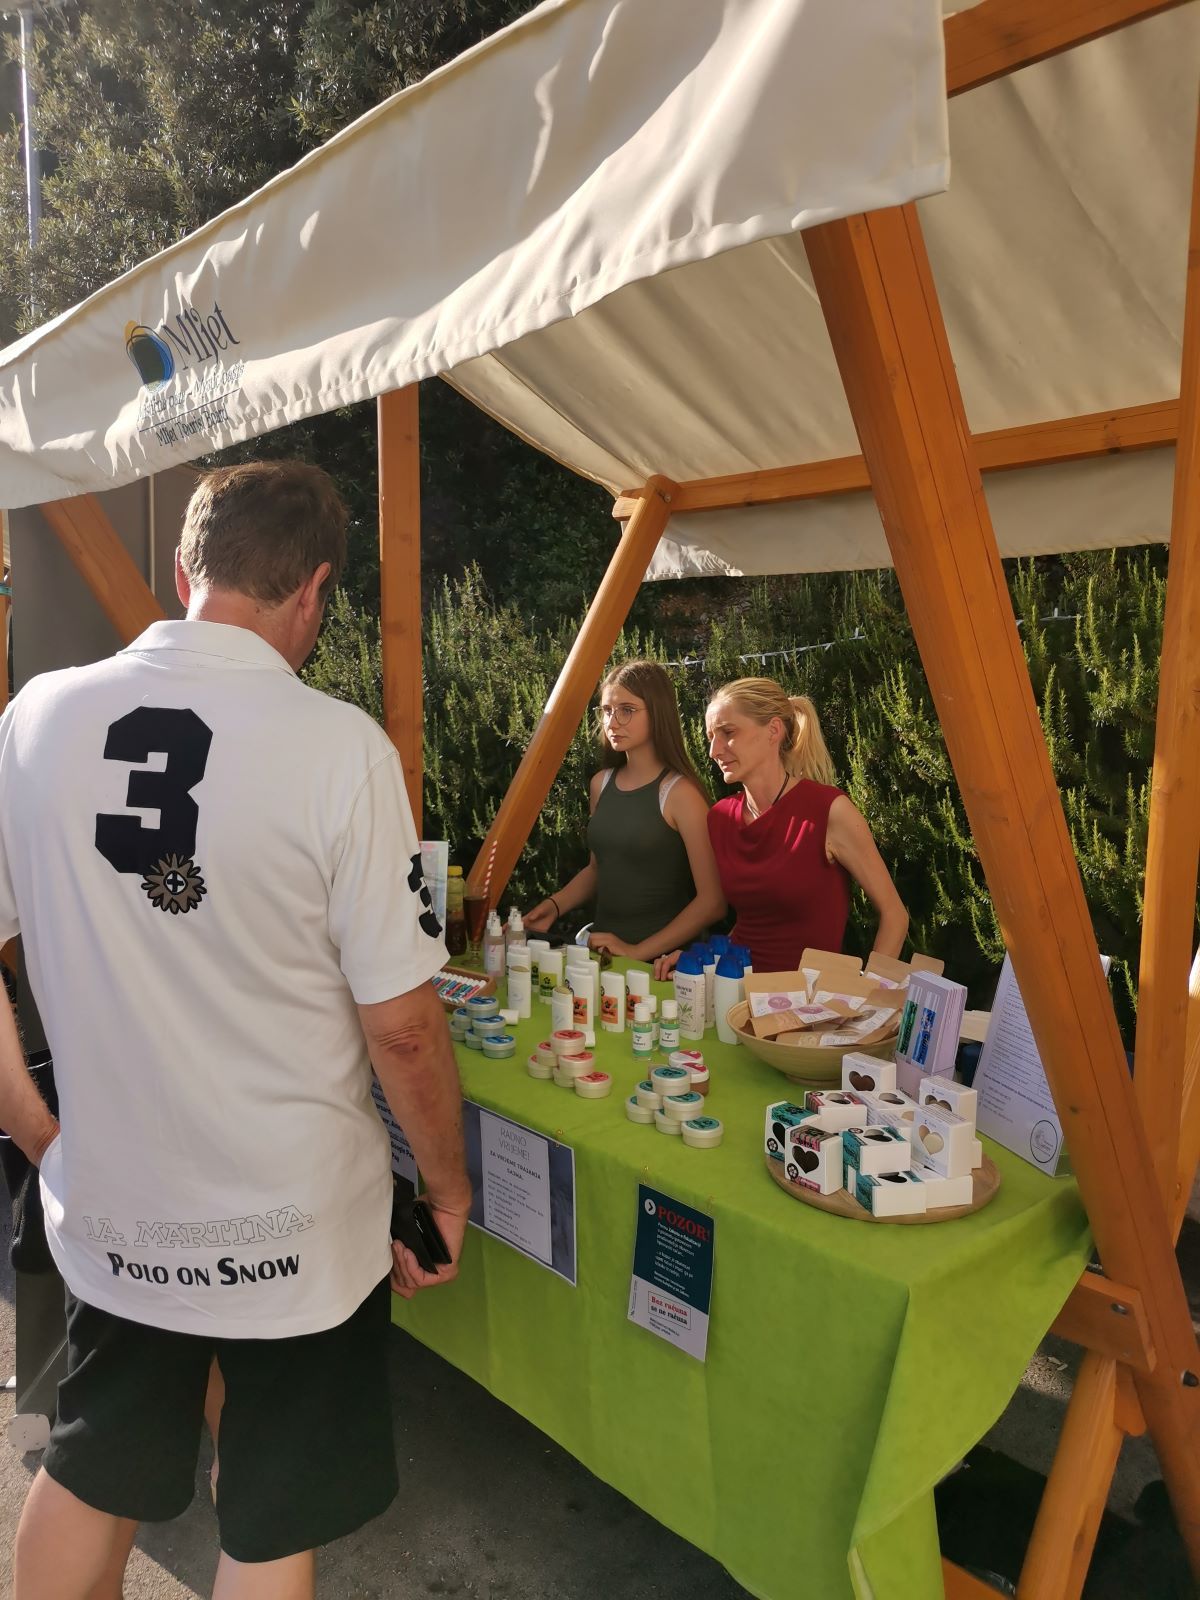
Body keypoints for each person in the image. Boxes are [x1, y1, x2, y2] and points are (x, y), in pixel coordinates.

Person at [0, 461, 471, 1600]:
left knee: (90, 1467)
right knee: (268, 1518)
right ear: (314, 591)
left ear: (183, 571)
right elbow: (406, 1029)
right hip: (293, 1229)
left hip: (114, 1205)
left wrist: (41, 1138)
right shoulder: (341, 747)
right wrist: (448, 1189)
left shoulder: (33, 718)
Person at [656, 677, 907, 975]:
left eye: (728, 733)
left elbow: (895, 916)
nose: (714, 750)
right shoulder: (720, 817)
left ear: (773, 730)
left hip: (810, 1000)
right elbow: (755, 926)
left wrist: (868, 992)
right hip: (737, 992)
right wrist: (700, 960)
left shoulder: (829, 810)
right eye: (711, 736)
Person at [524, 660, 725, 963]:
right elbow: (598, 869)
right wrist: (554, 906)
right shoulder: (600, 784)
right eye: (606, 710)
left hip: (662, 968)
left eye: (627, 710)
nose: (612, 722)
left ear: (657, 712)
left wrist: (636, 952)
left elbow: (713, 902)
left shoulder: (681, 794)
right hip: (601, 957)